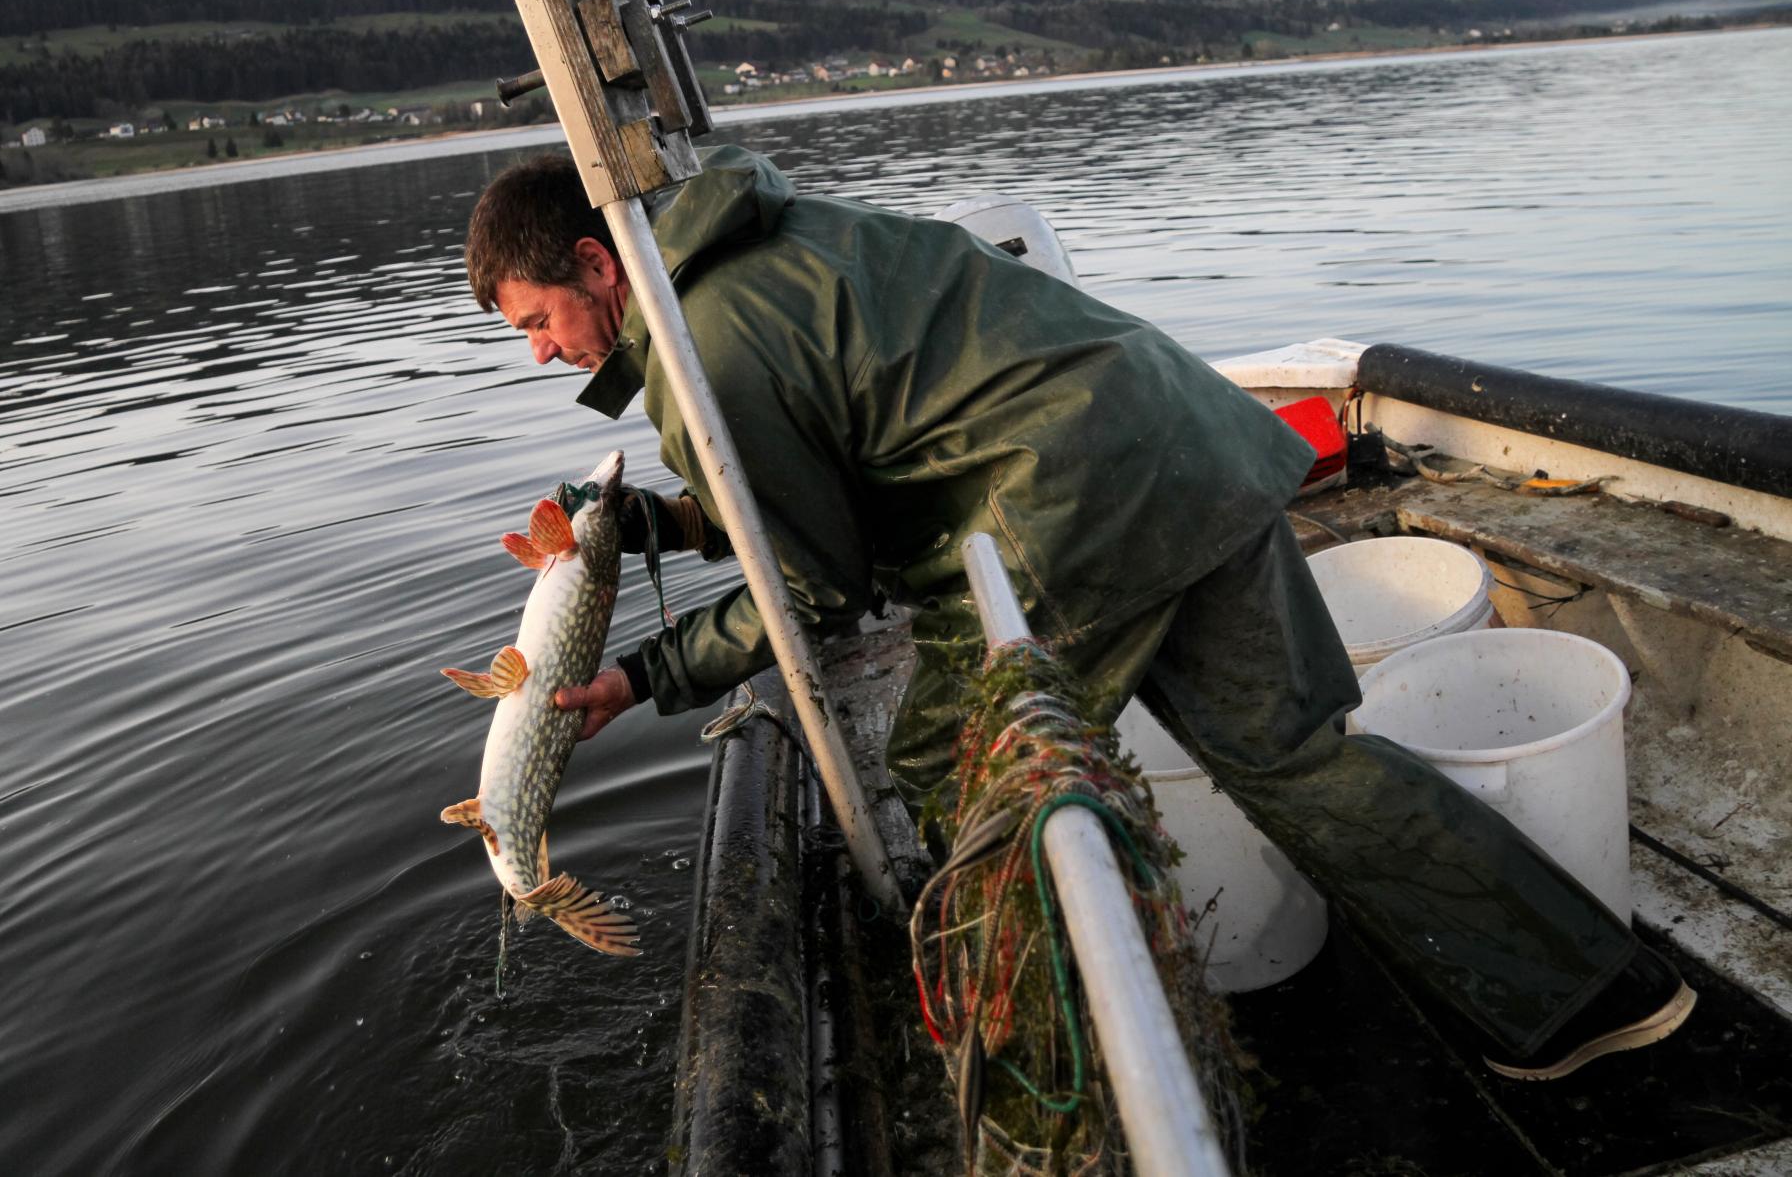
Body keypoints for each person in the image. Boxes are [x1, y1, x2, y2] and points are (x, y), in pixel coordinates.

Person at [463, 144, 1693, 1082]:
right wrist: (664, 522)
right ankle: (1594, 995)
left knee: (950, 767)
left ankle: (1036, 1066)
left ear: (594, 264)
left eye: (535, 322)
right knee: (1297, 757)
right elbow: (829, 460)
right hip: (1190, 443)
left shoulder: (699, 347)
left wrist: (644, 673)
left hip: (1065, 512)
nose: (538, 353)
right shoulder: (774, 243)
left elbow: (813, 588)